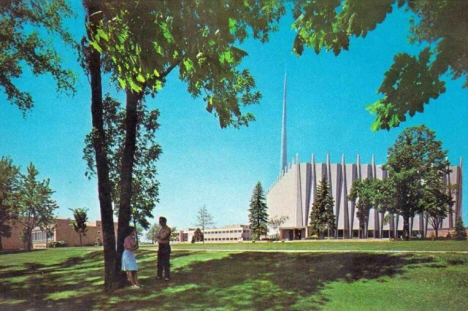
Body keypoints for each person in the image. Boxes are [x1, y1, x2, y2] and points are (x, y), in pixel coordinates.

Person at [156, 216, 172, 281]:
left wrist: (159, 236)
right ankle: (159, 275)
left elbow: (163, 237)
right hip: (160, 246)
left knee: (166, 262)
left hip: (165, 246)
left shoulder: (168, 229)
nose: (159, 223)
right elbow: (157, 236)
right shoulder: (161, 229)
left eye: (161, 221)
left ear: (164, 222)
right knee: (159, 262)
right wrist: (159, 236)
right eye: (159, 221)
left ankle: (167, 276)